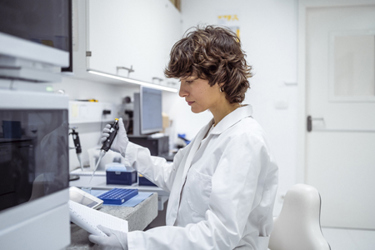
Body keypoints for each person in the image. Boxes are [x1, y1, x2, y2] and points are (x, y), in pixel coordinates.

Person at [89, 25, 278, 250]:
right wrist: (126, 148)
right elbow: (174, 176)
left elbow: (219, 236)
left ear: (220, 78)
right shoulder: (212, 130)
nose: (181, 92)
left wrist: (132, 242)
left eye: (189, 81)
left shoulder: (244, 140)